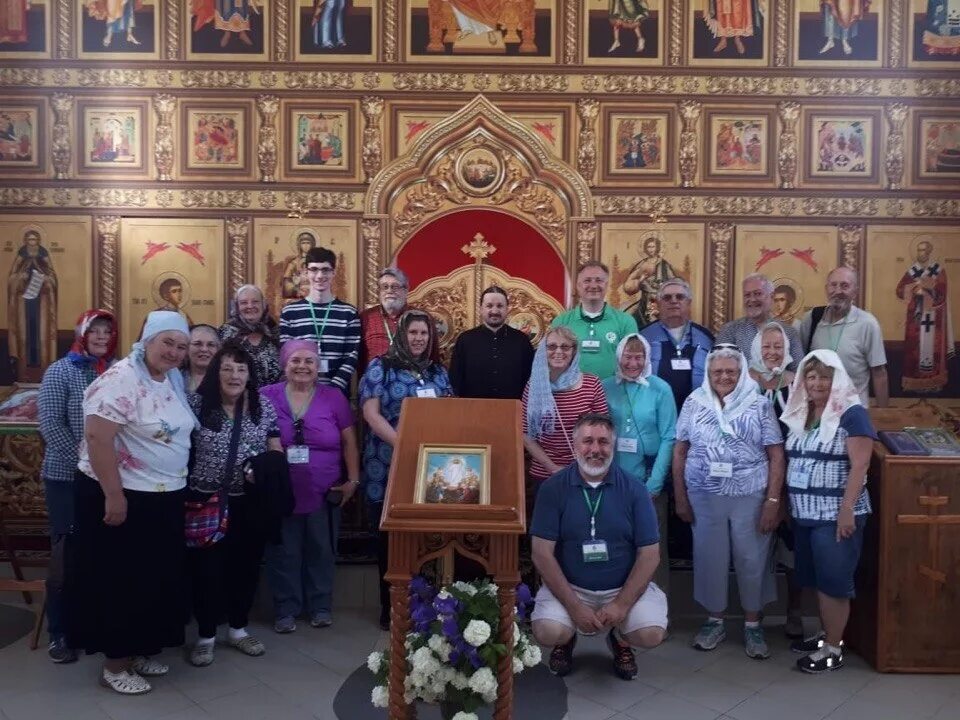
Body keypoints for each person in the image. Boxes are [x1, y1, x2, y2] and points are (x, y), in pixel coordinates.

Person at [66, 311, 195, 695]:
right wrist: (114, 494)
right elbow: (97, 437)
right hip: (123, 496)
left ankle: (138, 650)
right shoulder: (121, 378)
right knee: (122, 580)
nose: (173, 352)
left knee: (153, 579)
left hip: (162, 495)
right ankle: (115, 663)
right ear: (147, 340)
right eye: (167, 343)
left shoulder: (169, 378)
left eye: (181, 346)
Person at [530, 413, 667, 681]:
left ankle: (621, 640)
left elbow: (650, 555)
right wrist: (574, 607)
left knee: (650, 634)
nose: (595, 450)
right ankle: (565, 640)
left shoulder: (635, 490)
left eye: (603, 442)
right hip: (571, 588)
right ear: (575, 445)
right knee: (548, 631)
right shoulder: (552, 488)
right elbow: (541, 553)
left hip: (622, 587)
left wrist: (621, 605)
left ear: (613, 446)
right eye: (587, 441)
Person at [672, 345, 784, 659]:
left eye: (730, 372)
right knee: (710, 557)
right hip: (704, 495)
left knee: (751, 558)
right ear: (708, 374)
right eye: (717, 372)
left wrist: (773, 501)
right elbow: (680, 450)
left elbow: (776, 454)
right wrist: (680, 496)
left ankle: (752, 624)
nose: (724, 377)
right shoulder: (695, 402)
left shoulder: (759, 404)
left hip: (750, 494)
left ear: (741, 373)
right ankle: (714, 620)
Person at [186, 341, 282, 667]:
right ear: (216, 372)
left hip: (247, 502)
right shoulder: (196, 404)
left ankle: (239, 629)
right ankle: (206, 635)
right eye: (227, 368)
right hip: (205, 499)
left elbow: (275, 449)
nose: (234, 375)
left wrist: (265, 469)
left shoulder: (263, 406)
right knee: (207, 570)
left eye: (241, 369)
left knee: (245, 566)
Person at [780, 350, 877, 673]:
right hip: (806, 514)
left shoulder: (852, 414)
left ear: (836, 379)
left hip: (835, 515)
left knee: (834, 583)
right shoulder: (803, 412)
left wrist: (846, 510)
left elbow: (860, 464)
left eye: (824, 376)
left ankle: (834, 649)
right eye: (810, 376)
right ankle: (825, 637)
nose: (817, 383)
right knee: (818, 580)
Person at [360, 310, 452, 629]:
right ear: (401, 335)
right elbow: (371, 414)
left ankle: (423, 604)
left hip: (430, 468)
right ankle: (391, 608)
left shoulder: (437, 372)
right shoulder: (380, 367)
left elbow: (451, 414)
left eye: (424, 334)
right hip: (388, 463)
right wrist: (405, 444)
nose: (418, 339)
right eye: (413, 333)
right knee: (390, 538)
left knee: (422, 536)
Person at [261, 340, 359, 633]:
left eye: (309, 361)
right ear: (284, 365)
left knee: (321, 549)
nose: (302, 366)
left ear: (318, 367)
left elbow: (349, 441)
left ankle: (320, 606)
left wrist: (352, 480)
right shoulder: (266, 396)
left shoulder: (333, 397)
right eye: (295, 361)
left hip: (323, 487)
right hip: (281, 490)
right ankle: (285, 609)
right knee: (284, 550)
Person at [37, 309, 118, 664]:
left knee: (97, 554)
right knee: (66, 556)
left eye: (107, 332)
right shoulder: (61, 371)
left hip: (104, 479)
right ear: (82, 333)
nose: (101, 338)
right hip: (67, 477)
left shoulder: (114, 373)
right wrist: (89, 464)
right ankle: (60, 632)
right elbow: (52, 427)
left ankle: (89, 626)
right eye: (95, 331)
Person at [602, 333, 676, 592]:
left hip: (648, 481)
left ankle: (655, 616)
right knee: (615, 545)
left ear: (646, 358)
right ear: (619, 356)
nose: (633, 363)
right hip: (612, 481)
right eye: (628, 356)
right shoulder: (606, 386)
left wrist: (654, 483)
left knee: (651, 549)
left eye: (638, 357)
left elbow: (669, 437)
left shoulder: (660, 389)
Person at [748, 321, 804, 638]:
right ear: (756, 349)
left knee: (792, 548)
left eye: (778, 347)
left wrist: (781, 491)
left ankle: (794, 611)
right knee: (753, 547)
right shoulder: (743, 380)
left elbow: (800, 432)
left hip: (790, 475)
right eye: (766, 346)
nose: (772, 352)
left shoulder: (796, 384)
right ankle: (752, 615)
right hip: (750, 477)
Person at [523, 326, 610, 489]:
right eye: (552, 346)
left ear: (574, 352)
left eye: (565, 347)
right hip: (544, 474)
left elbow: (604, 432)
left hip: (585, 471)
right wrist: (553, 468)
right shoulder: (533, 387)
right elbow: (527, 437)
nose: (558, 351)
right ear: (543, 350)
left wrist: (583, 466)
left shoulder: (592, 384)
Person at [798, 267, 888, 407]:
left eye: (845, 286)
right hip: (817, 413)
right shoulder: (811, 319)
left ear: (855, 292)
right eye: (833, 285)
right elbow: (801, 364)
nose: (838, 291)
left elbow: (879, 374)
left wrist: (883, 416)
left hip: (853, 412)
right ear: (826, 289)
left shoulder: (867, 324)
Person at [279, 246, 360, 396]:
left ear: (333, 272)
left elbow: (352, 355)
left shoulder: (349, 312)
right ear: (305, 272)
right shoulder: (290, 312)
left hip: (336, 392)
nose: (320, 275)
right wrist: (302, 385)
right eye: (314, 269)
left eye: (325, 270)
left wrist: (334, 388)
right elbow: (287, 354)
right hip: (299, 391)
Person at [551, 262, 639, 380]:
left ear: (606, 285)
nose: (593, 285)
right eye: (587, 280)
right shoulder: (561, 321)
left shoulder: (626, 322)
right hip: (571, 394)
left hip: (613, 393)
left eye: (599, 280)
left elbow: (633, 362)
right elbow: (551, 361)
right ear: (577, 286)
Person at [640, 279, 714, 413]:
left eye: (680, 297)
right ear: (658, 303)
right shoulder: (644, 336)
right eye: (667, 297)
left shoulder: (705, 338)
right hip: (654, 413)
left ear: (689, 303)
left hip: (697, 413)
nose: (673, 301)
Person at [449, 285, 535, 399]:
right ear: (481, 309)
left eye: (500, 306)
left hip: (513, 410)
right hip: (473, 410)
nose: (494, 311)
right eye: (489, 306)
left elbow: (530, 378)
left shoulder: (521, 341)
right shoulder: (465, 340)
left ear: (507, 309)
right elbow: (455, 380)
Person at [895, 240, 954, 394]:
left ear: (929, 252)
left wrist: (927, 291)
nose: (920, 253)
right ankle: (914, 382)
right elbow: (900, 290)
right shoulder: (912, 271)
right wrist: (914, 289)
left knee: (932, 349)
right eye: (918, 250)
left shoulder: (939, 271)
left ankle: (933, 383)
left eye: (923, 250)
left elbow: (942, 294)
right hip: (915, 319)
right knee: (914, 350)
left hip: (933, 319)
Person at [359, 267, 438, 374]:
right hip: (376, 382)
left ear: (406, 290)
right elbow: (359, 358)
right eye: (385, 287)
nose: (389, 291)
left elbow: (432, 357)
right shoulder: (366, 317)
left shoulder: (423, 317)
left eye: (395, 286)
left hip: (411, 382)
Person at [716, 273, 803, 371]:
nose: (752, 299)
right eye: (747, 295)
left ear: (771, 296)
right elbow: (719, 368)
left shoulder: (789, 333)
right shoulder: (730, 331)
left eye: (757, 294)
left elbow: (798, 372)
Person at [7, 227, 58, 381]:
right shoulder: (21, 254)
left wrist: (46, 280)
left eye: (34, 240)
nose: (32, 243)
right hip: (23, 305)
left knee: (40, 337)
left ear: (39, 242)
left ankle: (44, 373)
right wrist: (20, 278)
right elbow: (12, 278)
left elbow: (52, 277)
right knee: (25, 338)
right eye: (29, 240)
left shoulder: (43, 255)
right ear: (25, 242)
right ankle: (23, 374)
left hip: (41, 305)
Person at [219, 284, 281, 387]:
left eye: (255, 301)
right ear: (237, 307)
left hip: (273, 395)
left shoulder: (274, 330)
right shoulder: (226, 332)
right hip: (238, 395)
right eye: (243, 302)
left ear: (263, 304)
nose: (250, 306)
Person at [620, 236, 679, 328]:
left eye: (653, 246)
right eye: (649, 247)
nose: (651, 249)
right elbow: (630, 287)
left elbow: (674, 282)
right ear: (645, 249)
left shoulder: (664, 265)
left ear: (657, 248)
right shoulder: (641, 264)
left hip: (661, 301)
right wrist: (640, 280)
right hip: (645, 300)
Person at [183, 324, 222, 393]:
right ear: (186, 348)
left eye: (211, 345)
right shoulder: (175, 378)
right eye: (197, 344)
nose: (204, 349)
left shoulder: (226, 379)